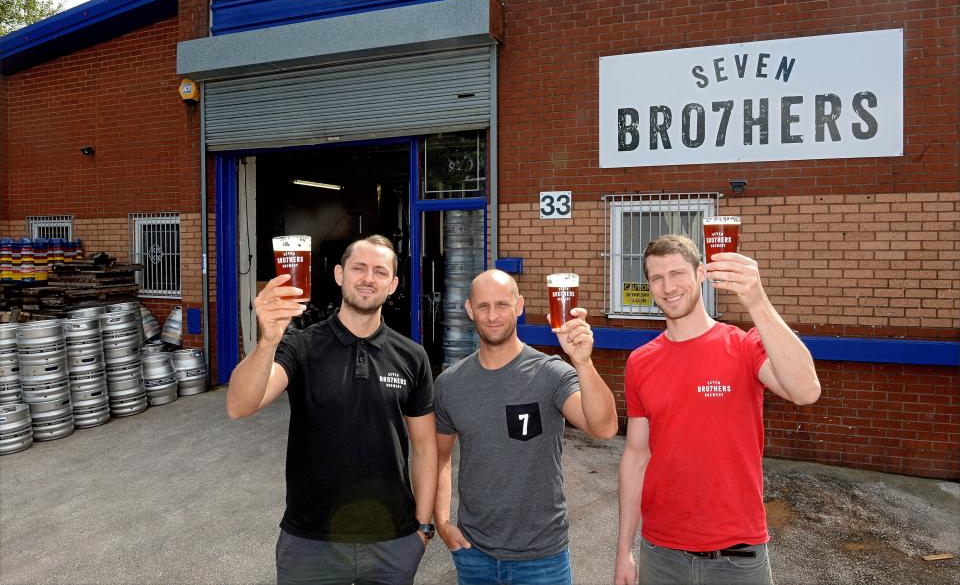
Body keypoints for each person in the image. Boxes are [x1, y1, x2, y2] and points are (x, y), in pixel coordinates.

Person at [226, 235, 438, 585]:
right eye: (359, 268)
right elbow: (240, 405)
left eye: (379, 271)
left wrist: (423, 527)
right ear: (339, 274)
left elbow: (426, 446)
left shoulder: (411, 356)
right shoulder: (301, 345)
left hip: (392, 542)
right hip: (310, 542)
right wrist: (267, 339)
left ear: (393, 284)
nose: (368, 278)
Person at [613, 234, 821, 585]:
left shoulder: (743, 345)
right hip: (661, 555)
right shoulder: (640, 361)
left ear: (701, 273)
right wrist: (623, 552)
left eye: (678, 273)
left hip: (738, 558)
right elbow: (636, 458)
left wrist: (757, 300)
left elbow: (806, 391)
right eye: (657, 278)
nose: (668, 286)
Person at [433, 269, 619, 585]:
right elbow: (438, 458)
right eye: (483, 306)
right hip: (473, 556)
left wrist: (583, 362)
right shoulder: (450, 384)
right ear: (469, 310)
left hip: (541, 560)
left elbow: (604, 428)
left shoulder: (551, 374)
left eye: (503, 305)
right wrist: (442, 521)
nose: (493, 316)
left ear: (519, 306)